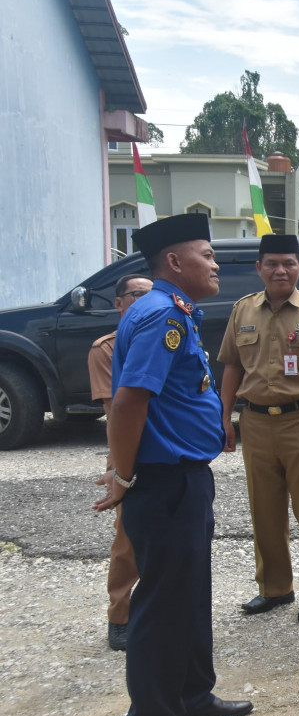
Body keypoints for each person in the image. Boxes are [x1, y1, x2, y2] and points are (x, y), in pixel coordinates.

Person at [93, 213, 253, 716]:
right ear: (174, 262)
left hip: (186, 477)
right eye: (206, 255)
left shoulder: (175, 310)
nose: (215, 264)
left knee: (188, 594)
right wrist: (121, 475)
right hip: (163, 481)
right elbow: (129, 401)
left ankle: (190, 694)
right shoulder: (161, 313)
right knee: (162, 603)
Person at [218, 234, 299, 624]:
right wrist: (225, 418)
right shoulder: (242, 311)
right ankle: (274, 588)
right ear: (259, 269)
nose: (280, 270)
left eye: (288, 263)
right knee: (264, 510)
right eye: (271, 263)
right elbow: (232, 367)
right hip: (255, 422)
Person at [87, 273, 154, 651]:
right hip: (132, 450)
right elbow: (116, 411)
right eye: (136, 295)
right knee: (128, 540)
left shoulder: (165, 333)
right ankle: (121, 615)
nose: (145, 301)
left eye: (150, 294)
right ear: (119, 304)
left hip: (168, 451)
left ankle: (160, 612)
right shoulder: (107, 349)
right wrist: (119, 468)